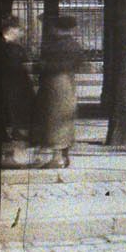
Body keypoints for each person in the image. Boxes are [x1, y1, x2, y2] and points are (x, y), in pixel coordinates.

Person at [32, 14, 83, 169]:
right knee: (64, 119)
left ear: (58, 29)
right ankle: (64, 155)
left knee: (54, 120)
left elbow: (44, 65)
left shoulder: (54, 46)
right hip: (68, 83)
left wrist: (39, 66)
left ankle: (57, 158)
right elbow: (79, 62)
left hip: (54, 84)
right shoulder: (74, 45)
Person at [0, 17, 36, 165]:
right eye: (20, 29)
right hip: (13, 91)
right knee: (14, 124)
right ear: (11, 29)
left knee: (12, 125)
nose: (22, 32)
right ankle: (11, 158)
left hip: (13, 90)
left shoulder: (12, 46)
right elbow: (19, 69)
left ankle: (10, 156)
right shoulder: (12, 48)